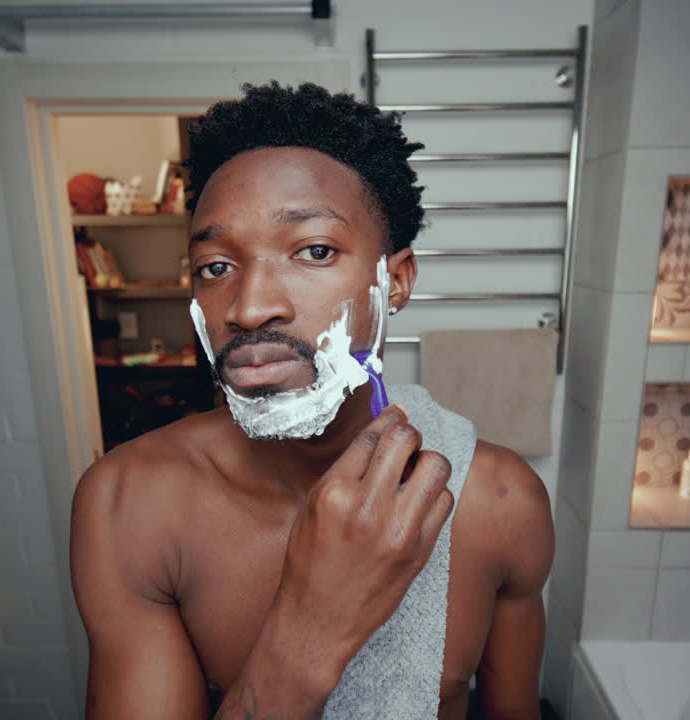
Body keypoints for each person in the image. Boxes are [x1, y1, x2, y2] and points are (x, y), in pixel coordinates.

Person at [71, 81, 554, 720]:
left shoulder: (500, 503)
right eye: (216, 267)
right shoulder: (129, 504)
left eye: (314, 251)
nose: (248, 307)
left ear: (397, 280)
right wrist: (313, 624)